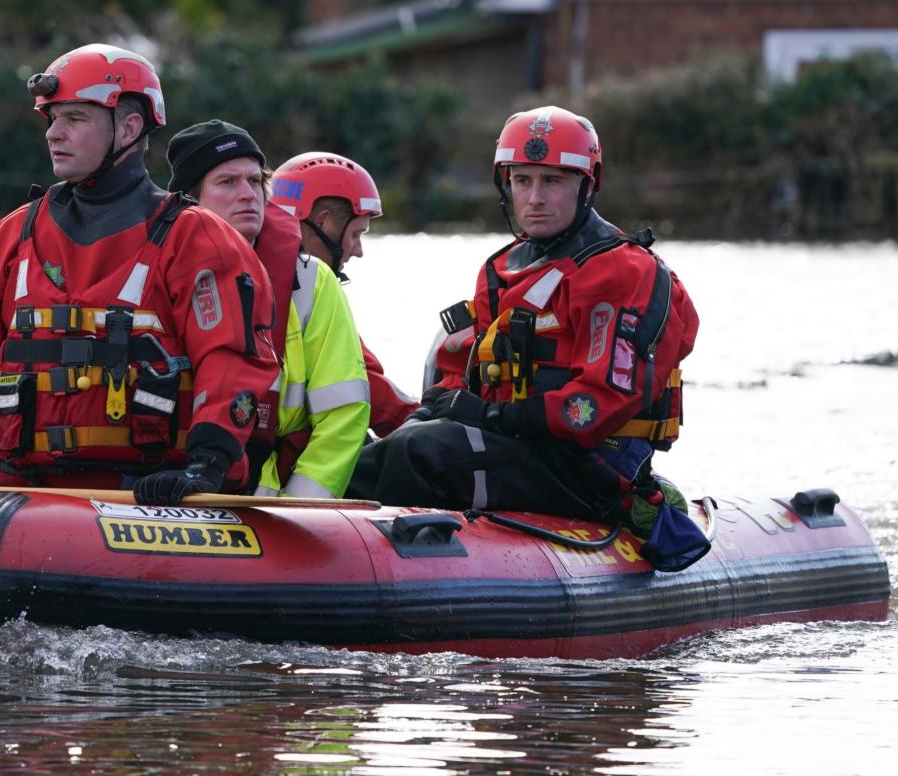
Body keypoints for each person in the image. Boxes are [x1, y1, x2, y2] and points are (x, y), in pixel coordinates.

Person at [0, 44, 279, 507]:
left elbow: (232, 363)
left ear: (130, 128)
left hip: (152, 496)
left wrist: (204, 468)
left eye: (75, 119)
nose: (54, 134)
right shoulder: (11, 238)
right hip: (24, 496)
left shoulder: (198, 241)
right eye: (51, 119)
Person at [348, 106, 701, 564]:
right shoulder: (501, 269)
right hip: (521, 447)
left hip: (588, 467)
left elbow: (590, 409)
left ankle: (353, 556)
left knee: (421, 452)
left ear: (586, 184)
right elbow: (466, 371)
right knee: (389, 447)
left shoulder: (621, 271)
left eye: (552, 181)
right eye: (522, 181)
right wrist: (438, 405)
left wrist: (489, 418)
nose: (535, 198)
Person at [165, 121, 369, 498]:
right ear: (190, 200)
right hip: (165, 488)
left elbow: (343, 414)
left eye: (256, 181)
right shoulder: (158, 272)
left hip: (268, 495)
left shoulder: (311, 281)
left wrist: (302, 507)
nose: (249, 195)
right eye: (228, 183)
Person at [270, 153, 420, 439]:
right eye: (355, 234)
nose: (358, 250)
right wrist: (425, 424)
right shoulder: (311, 294)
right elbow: (368, 384)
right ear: (323, 223)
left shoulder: (240, 271)